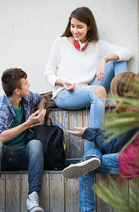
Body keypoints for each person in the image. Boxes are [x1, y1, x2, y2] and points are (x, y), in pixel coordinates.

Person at [45, 6, 133, 173]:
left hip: (89, 88)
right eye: (72, 26)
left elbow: (127, 52)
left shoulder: (97, 45)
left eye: (79, 27)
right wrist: (61, 82)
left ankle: (128, 105)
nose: (75, 31)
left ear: (89, 26)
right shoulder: (60, 43)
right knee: (98, 91)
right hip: (66, 93)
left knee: (117, 61)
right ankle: (91, 153)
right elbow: (48, 72)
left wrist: (105, 58)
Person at [58, 71, 139, 212]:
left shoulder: (133, 114)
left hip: (132, 160)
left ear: (123, 92)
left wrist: (89, 134)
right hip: (129, 156)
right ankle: (91, 158)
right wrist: (89, 132)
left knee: (86, 168)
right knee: (90, 150)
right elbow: (112, 139)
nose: (113, 96)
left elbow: (112, 146)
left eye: (115, 92)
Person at [0, 68, 46, 212]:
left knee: (36, 144)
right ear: (17, 90)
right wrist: (28, 123)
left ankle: (32, 201)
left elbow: (41, 99)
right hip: (3, 158)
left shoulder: (27, 98)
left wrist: (41, 114)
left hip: (23, 155)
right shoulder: (1, 106)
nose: (29, 85)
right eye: (25, 83)